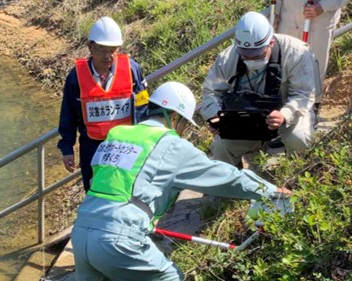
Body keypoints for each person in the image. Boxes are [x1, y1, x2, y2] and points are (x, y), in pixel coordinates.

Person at [71, 81, 293, 281]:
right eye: (184, 124)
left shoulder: (117, 135)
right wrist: (268, 189)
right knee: (170, 277)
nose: (183, 130)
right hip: (119, 238)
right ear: (174, 117)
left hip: (81, 232)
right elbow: (226, 177)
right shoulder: (170, 145)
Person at [199, 11, 317, 167]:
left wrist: (284, 114)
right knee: (221, 146)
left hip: (288, 116)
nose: (250, 60)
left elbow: (303, 94)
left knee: (299, 139)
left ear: (271, 43)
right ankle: (232, 185)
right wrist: (215, 116)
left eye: (256, 55)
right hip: (246, 119)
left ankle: (297, 177)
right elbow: (211, 92)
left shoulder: (297, 53)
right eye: (245, 56)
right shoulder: (227, 58)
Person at [57, 16, 148, 191]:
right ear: (90, 47)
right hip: (93, 148)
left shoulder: (132, 70)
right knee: (95, 192)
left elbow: (143, 106)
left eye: (113, 50)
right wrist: (67, 147)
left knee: (128, 191)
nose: (108, 56)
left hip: (127, 147)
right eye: (102, 50)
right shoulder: (76, 77)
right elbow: (68, 114)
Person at [274, 0, 348, 103]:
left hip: (319, 22)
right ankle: (286, 111)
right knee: (285, 71)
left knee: (314, 71)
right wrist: (275, 11)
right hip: (287, 20)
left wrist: (323, 6)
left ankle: (312, 110)